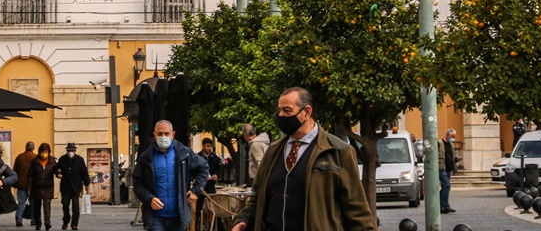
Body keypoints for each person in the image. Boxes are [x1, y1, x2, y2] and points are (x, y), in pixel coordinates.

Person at [231, 87, 375, 231]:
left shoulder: (338, 152)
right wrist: (242, 219)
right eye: (279, 110)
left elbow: (357, 211)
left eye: (287, 111)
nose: (281, 116)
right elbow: (257, 199)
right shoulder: (273, 152)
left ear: (306, 112)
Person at [133, 120, 209, 231]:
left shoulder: (185, 154)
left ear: (172, 135)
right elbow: (137, 184)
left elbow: (204, 168)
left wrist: (196, 190)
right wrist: (149, 199)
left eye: (166, 134)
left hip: (178, 216)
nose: (163, 137)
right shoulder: (146, 158)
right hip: (155, 217)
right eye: (159, 134)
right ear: (154, 135)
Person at [52, 143, 90, 230]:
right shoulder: (62, 159)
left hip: (76, 186)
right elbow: (57, 170)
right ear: (67, 151)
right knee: (65, 205)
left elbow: (84, 172)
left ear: (75, 151)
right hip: (66, 187)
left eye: (72, 151)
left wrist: (86, 183)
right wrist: (58, 174)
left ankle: (74, 224)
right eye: (69, 151)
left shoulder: (80, 160)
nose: (70, 152)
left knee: (75, 206)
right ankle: (66, 220)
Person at [28, 143, 57, 231]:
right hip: (36, 187)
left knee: (47, 206)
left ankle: (47, 223)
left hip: (48, 187)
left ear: (48, 152)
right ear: (39, 152)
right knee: (37, 207)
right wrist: (28, 188)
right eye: (43, 151)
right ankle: (38, 224)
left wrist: (59, 173)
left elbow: (56, 171)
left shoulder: (52, 161)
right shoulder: (34, 161)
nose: (44, 153)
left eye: (46, 152)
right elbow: (30, 175)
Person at [13, 141, 37, 227]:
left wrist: (15, 184)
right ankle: (33, 220)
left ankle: (18, 220)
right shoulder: (35, 157)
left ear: (25, 147)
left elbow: (14, 171)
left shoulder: (19, 157)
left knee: (20, 203)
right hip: (33, 186)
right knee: (33, 203)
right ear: (33, 148)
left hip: (21, 184)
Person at [438, 129, 457, 214]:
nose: (453, 138)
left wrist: (456, 160)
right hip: (442, 168)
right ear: (448, 135)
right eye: (452, 137)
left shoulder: (451, 145)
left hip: (449, 169)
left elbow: (451, 156)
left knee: (445, 187)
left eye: (454, 137)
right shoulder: (439, 143)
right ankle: (445, 205)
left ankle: (441, 206)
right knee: (447, 185)